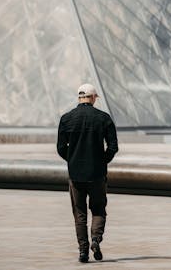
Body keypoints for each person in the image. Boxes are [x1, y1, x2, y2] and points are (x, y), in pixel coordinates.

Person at [57, 83, 118, 263]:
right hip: (97, 175)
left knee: (79, 214)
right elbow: (113, 147)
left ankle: (83, 250)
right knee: (98, 209)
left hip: (76, 175)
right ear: (93, 98)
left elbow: (61, 147)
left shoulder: (66, 118)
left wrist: (73, 160)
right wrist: (101, 161)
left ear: (79, 97)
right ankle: (96, 240)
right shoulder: (104, 118)